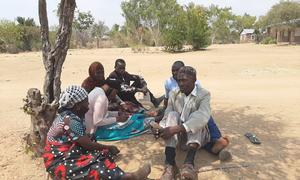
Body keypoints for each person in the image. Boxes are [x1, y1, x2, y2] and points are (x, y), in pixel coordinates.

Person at [43, 85, 151, 180]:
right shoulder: (70, 120)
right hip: (57, 161)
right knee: (95, 167)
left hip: (64, 153)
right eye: (86, 102)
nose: (88, 105)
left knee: (96, 147)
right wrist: (109, 147)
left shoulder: (70, 115)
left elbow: (83, 139)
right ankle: (128, 177)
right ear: (77, 106)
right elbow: (87, 144)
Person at [154, 67, 230, 180]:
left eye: (184, 80)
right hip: (180, 140)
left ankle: (189, 164)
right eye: (179, 80)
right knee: (172, 114)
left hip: (197, 138)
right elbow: (168, 112)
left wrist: (176, 129)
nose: (181, 83)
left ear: (194, 79)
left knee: (196, 118)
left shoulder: (204, 94)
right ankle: (169, 165)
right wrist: (162, 129)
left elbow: (203, 117)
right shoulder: (174, 93)